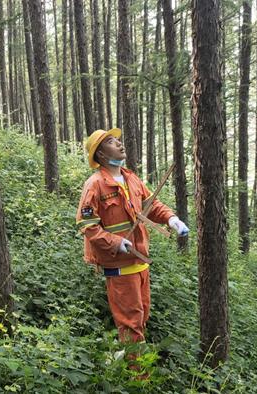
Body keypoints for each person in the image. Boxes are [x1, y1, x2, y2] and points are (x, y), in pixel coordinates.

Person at [76, 128, 189, 347]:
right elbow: (86, 224)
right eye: (111, 141)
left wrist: (172, 219)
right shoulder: (95, 184)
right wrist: (116, 242)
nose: (119, 144)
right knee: (131, 324)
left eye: (117, 139)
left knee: (142, 317)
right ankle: (137, 377)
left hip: (140, 264)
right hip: (119, 267)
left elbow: (151, 205)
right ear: (100, 154)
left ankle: (138, 368)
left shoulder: (131, 178)